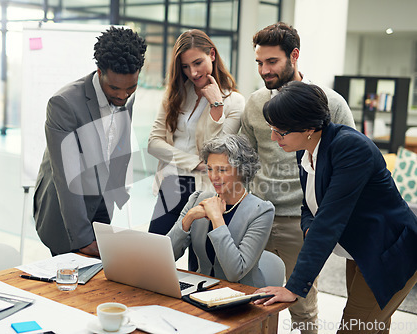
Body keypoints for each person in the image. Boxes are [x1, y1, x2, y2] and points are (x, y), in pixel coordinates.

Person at [255, 81, 417, 334]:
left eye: (281, 131)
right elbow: (309, 206)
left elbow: (329, 219)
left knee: (355, 327)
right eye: (272, 129)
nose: (274, 138)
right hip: (360, 249)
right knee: (374, 326)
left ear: (308, 127)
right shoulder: (306, 150)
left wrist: (294, 288)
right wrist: (309, 227)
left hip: (389, 251)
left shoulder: (351, 148)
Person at [239, 22, 355, 333]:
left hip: (300, 221)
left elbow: (348, 167)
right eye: (259, 63)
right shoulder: (254, 103)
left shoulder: (331, 103)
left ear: (294, 55)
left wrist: (316, 222)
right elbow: (245, 159)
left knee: (301, 304)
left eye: (272, 61)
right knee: (252, 299)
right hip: (258, 216)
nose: (264, 70)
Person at [33, 27, 147, 257]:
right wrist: (83, 239)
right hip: (64, 213)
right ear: (99, 72)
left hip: (101, 206)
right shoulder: (64, 104)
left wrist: (108, 214)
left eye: (131, 88)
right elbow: (67, 177)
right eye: (114, 87)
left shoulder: (125, 97)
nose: (123, 96)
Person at [148, 29, 245, 243]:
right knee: (154, 250)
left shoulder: (234, 101)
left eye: (197, 63)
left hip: (207, 190)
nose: (192, 73)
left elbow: (216, 150)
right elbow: (154, 144)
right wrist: (194, 163)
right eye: (185, 66)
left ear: (212, 54)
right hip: (172, 183)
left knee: (199, 261)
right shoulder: (175, 95)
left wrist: (216, 106)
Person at [167, 134, 274, 287]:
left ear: (242, 170)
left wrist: (217, 218)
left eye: (222, 170)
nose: (213, 177)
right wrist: (188, 218)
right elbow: (166, 257)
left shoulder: (261, 211)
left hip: (242, 296)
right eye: (210, 169)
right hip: (200, 292)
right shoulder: (198, 199)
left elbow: (235, 272)